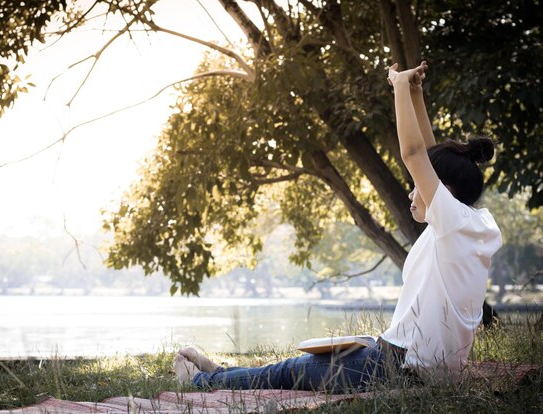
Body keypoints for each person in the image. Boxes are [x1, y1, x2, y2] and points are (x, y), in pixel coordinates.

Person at [172, 61, 502, 392]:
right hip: (414, 366)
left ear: (443, 190)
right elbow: (429, 158)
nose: (412, 189)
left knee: (291, 371)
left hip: (398, 370)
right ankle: (221, 372)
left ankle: (203, 381)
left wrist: (399, 85)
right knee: (305, 364)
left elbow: (416, 154)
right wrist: (416, 94)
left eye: (420, 184)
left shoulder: (451, 223)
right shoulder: (469, 226)